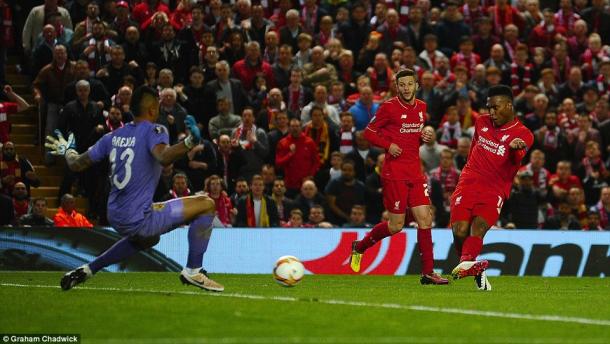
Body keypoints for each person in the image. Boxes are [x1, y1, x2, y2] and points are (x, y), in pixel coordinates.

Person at [46, 86, 224, 292]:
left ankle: (88, 269)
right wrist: (189, 142)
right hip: (138, 217)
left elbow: (76, 163)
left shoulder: (112, 136)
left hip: (114, 213)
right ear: (152, 109)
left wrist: (68, 150)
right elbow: (163, 157)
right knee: (206, 204)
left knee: (150, 238)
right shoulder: (155, 130)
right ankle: (194, 270)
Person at [351, 68, 448, 285]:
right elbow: (368, 132)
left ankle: (428, 272)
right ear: (396, 86)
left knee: (426, 219)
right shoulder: (388, 107)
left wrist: (426, 136)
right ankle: (359, 247)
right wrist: (388, 145)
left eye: (409, 84)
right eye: (401, 84)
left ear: (416, 86)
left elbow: (415, 137)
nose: (405, 88)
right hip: (394, 173)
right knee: (396, 226)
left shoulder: (422, 107)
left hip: (415, 171)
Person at [450, 85, 534, 291]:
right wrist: (466, 172)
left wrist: (515, 150)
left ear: (509, 106)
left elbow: (517, 162)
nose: (491, 112)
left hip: (495, 188)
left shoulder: (524, 134)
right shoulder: (481, 122)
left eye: (496, 108)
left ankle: (469, 262)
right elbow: (473, 147)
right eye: (489, 108)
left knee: (478, 227)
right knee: (459, 231)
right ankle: (474, 266)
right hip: (469, 181)